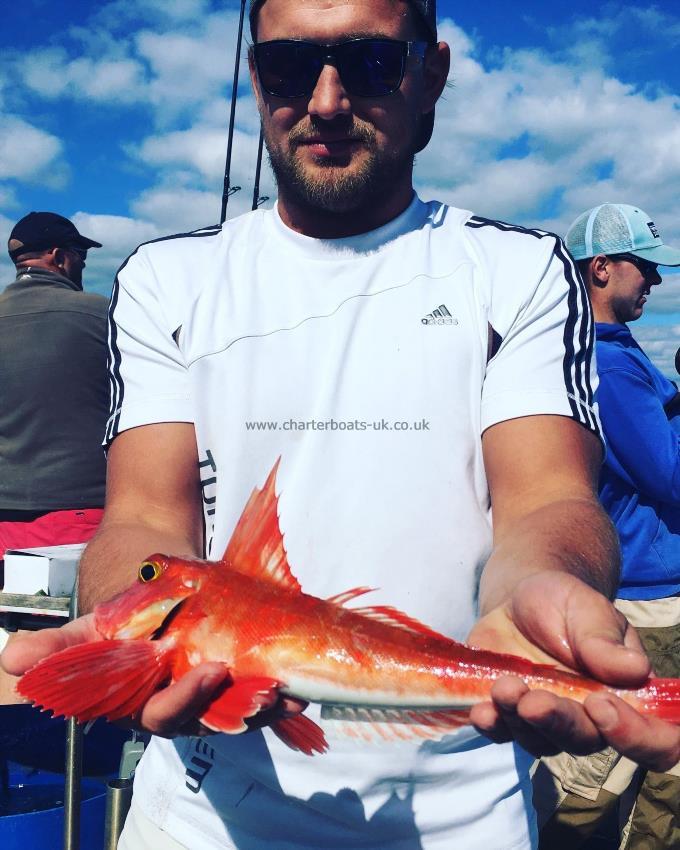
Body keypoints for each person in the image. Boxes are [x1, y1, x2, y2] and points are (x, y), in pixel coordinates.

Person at [3, 4, 679, 849]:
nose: (325, 100)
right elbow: (141, 516)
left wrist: (541, 588)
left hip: (465, 809)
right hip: (202, 817)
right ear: (257, 80)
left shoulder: (519, 270)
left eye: (368, 62)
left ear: (429, 73)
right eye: (290, 66)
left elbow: (547, 497)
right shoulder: (164, 280)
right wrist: (120, 617)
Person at [533, 203, 680, 850]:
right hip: (652, 601)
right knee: (630, 770)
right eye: (643, 267)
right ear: (601, 269)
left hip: (643, 589)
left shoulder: (598, 354)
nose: (655, 280)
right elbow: (670, 479)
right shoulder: (613, 365)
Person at [0, 211, 109, 556]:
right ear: (59, 257)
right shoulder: (104, 315)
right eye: (82, 258)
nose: (84, 268)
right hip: (83, 518)